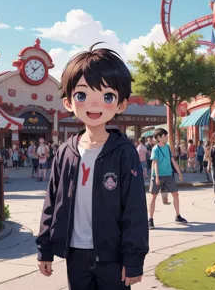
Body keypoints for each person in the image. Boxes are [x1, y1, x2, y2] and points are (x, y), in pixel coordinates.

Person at [36, 43, 148, 289]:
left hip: (113, 257)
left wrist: (133, 260)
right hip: (75, 254)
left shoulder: (124, 153)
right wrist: (45, 248)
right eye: (82, 95)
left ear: (121, 104)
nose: (94, 105)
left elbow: (135, 209)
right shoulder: (65, 151)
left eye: (107, 96)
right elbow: (51, 202)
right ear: (68, 102)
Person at [148, 128, 186, 229]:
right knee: (154, 197)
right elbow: (154, 163)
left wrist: (179, 173)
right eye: (165, 135)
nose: (167, 137)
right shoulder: (155, 149)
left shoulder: (167, 147)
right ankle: (150, 220)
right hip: (158, 175)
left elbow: (172, 160)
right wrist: (156, 177)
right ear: (159, 137)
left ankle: (178, 216)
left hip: (169, 175)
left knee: (176, 194)